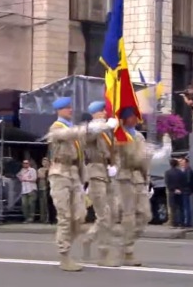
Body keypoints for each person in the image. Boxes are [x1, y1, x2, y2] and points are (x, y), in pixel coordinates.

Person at [45, 96, 117, 271]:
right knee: (65, 216)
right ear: (59, 110)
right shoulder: (57, 128)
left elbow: (83, 148)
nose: (71, 110)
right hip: (60, 174)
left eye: (71, 107)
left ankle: (73, 243)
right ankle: (65, 255)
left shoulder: (73, 128)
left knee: (79, 216)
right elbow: (73, 134)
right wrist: (96, 125)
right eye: (67, 108)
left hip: (75, 175)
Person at [113, 107, 169, 266]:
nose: (136, 119)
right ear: (125, 118)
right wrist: (144, 156)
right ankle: (127, 251)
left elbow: (144, 161)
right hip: (125, 177)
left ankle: (124, 244)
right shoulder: (119, 135)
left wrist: (147, 177)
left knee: (145, 215)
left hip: (139, 178)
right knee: (128, 216)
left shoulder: (138, 136)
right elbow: (126, 158)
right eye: (132, 116)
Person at [81, 100, 119, 267]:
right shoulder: (91, 129)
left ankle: (89, 237)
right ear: (94, 113)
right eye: (102, 111)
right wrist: (106, 126)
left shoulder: (106, 132)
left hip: (106, 171)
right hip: (95, 172)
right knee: (103, 214)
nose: (105, 113)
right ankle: (104, 254)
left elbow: (111, 150)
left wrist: (113, 165)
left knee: (113, 212)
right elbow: (91, 132)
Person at [37, 157, 50, 224]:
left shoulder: (50, 169)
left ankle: (48, 218)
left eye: (46, 162)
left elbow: (45, 177)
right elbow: (40, 176)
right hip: (40, 187)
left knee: (46, 204)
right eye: (43, 162)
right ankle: (42, 218)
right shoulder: (40, 169)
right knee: (41, 204)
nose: (44, 163)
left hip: (47, 188)